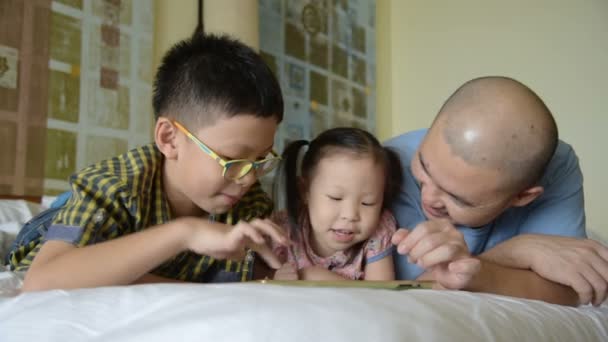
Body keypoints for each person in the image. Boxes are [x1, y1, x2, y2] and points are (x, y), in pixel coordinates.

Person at [7, 32, 290, 291]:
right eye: (231, 159)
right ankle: (61, 204)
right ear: (169, 139)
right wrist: (185, 233)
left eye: (261, 158)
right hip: (44, 233)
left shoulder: (250, 204)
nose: (249, 177)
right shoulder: (115, 186)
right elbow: (42, 280)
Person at [386, 76, 608, 306]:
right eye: (423, 166)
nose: (428, 197)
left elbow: (570, 290)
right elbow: (415, 293)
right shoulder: (384, 165)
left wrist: (476, 271)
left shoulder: (555, 165)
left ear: (523, 196)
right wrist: (519, 250)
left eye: (457, 198)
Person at [270, 127, 480, 285]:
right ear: (304, 191)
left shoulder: (380, 230)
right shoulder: (281, 228)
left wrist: (313, 276)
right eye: (335, 198)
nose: (351, 215)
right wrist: (274, 278)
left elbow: (380, 295)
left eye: (368, 202)